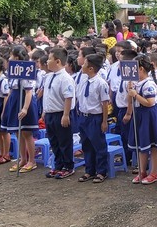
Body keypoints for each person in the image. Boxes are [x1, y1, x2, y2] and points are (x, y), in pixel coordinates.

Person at [124, 54, 157, 185]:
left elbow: (150, 102)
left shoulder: (149, 84)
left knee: (153, 146)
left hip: (149, 115)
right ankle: (142, 171)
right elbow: (129, 100)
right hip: (139, 114)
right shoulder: (136, 83)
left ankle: (154, 172)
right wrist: (130, 92)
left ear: (141, 69)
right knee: (142, 145)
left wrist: (135, 94)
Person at [1, 46, 39, 172]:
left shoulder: (27, 70)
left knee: (26, 133)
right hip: (14, 101)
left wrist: (25, 108)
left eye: (12, 55)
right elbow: (11, 90)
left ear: (17, 57)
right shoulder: (13, 71)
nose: (10, 57)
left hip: (24, 102)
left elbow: (28, 92)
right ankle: (22, 159)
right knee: (18, 133)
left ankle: (31, 161)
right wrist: (7, 108)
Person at [41, 48, 76, 179]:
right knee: (54, 141)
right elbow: (48, 95)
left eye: (49, 59)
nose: (47, 61)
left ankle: (68, 166)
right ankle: (58, 165)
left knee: (64, 141)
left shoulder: (65, 78)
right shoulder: (49, 76)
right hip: (50, 113)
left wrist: (66, 115)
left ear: (57, 61)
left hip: (61, 113)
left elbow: (68, 97)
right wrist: (45, 111)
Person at [76, 53, 110, 183]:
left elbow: (105, 103)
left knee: (99, 145)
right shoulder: (83, 80)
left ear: (91, 68)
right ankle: (89, 170)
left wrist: (104, 121)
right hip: (83, 117)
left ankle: (101, 171)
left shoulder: (101, 83)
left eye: (84, 64)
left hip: (95, 118)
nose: (82, 66)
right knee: (86, 145)